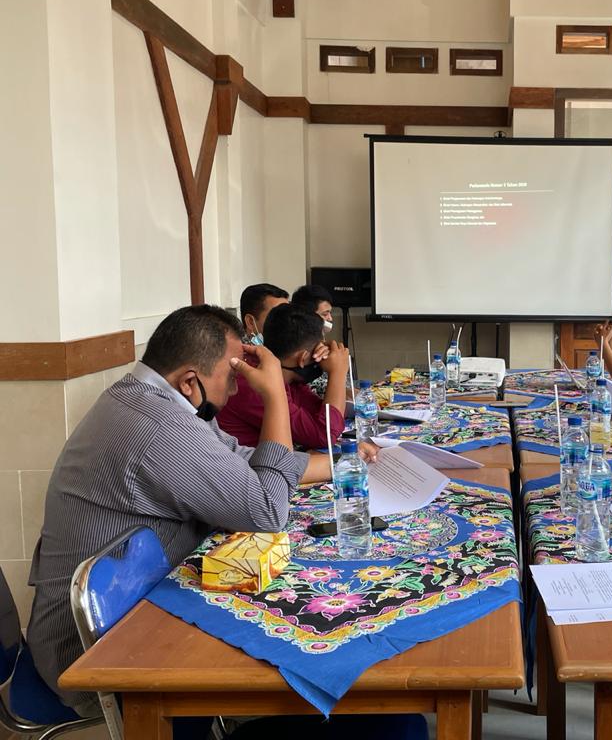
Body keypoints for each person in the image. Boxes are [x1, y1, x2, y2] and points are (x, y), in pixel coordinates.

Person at [25, 305, 374, 717]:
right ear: (190, 381)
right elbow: (267, 510)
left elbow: (241, 459)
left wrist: (342, 462)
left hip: (138, 609)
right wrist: (275, 395)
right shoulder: (158, 426)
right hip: (94, 657)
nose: (236, 390)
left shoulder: (155, 399)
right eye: (232, 376)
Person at [218, 304, 349, 449]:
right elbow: (325, 434)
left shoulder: (284, 375)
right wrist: (338, 373)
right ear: (303, 358)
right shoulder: (254, 381)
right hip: (251, 462)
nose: (324, 354)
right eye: (319, 349)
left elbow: (322, 415)